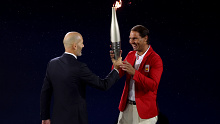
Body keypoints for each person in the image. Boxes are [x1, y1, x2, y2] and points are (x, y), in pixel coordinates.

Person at [40, 32, 122, 124]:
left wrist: (45, 117)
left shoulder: (52, 64)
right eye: (81, 43)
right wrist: (116, 69)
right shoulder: (79, 67)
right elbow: (104, 85)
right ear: (75, 46)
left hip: (57, 120)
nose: (83, 46)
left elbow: (45, 92)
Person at [110, 25, 163, 124]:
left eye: (135, 38)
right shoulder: (130, 55)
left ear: (145, 38)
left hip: (145, 113)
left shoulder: (155, 59)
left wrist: (134, 73)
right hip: (126, 109)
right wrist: (115, 63)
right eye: (130, 38)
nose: (131, 42)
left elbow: (153, 85)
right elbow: (118, 74)